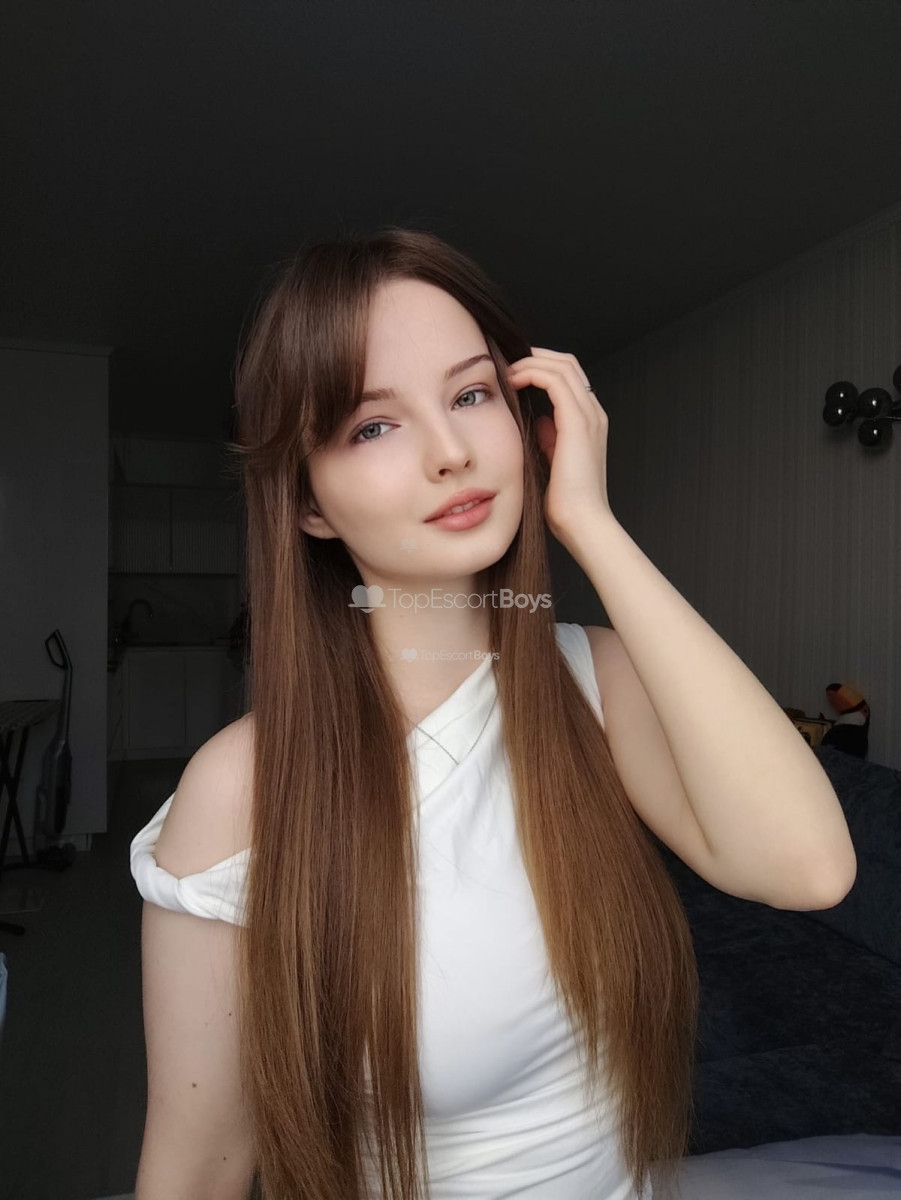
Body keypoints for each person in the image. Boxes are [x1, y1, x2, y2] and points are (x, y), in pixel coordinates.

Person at [129, 226, 701, 1200]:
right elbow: (199, 1164)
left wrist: (591, 524)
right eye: (372, 427)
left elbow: (808, 868)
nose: (451, 453)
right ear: (308, 505)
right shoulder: (240, 788)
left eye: (471, 395)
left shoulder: (600, 678)